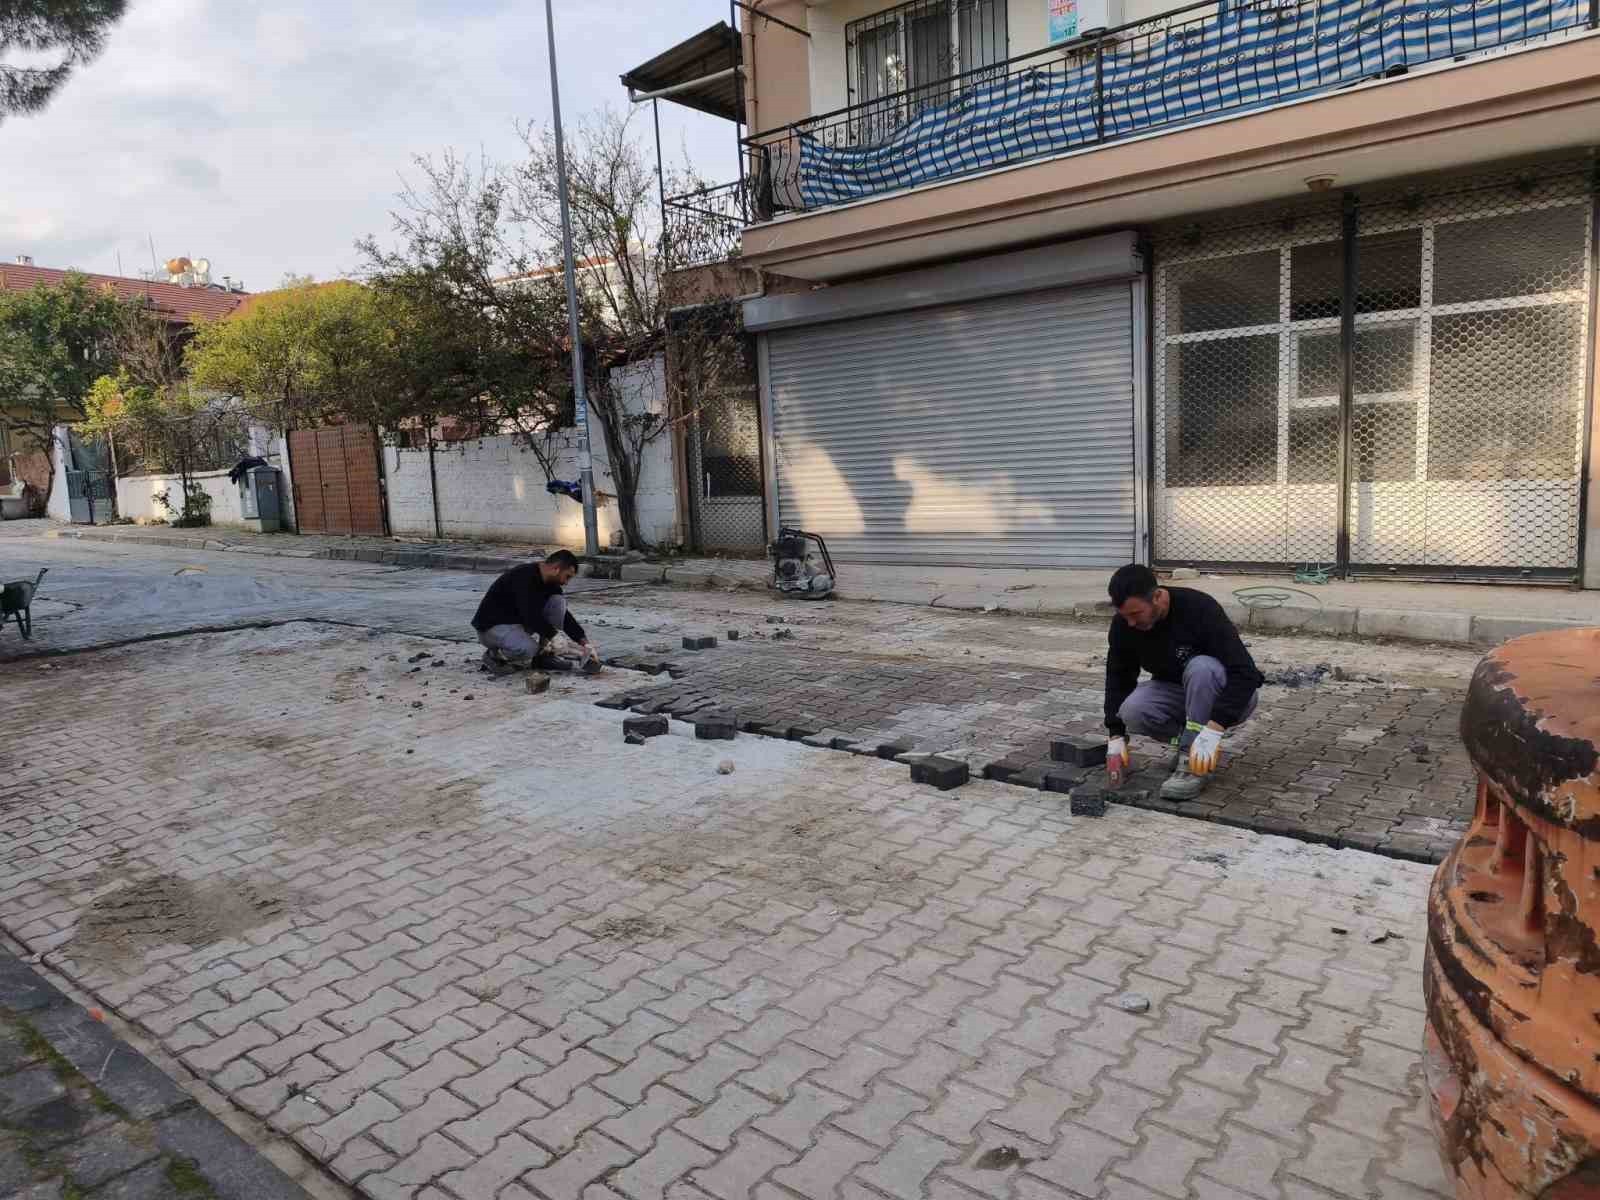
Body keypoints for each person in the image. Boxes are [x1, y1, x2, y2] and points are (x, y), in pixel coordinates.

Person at [1102, 564, 1263, 801]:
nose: (1131, 623)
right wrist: (1116, 735)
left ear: (1157, 597)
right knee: (1131, 710)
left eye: (1136, 614)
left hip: (1224, 695)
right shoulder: (1124, 626)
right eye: (1125, 616)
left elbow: (1246, 673)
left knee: (1201, 667)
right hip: (1179, 694)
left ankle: (1193, 764)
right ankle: (1191, 743)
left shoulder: (1199, 608)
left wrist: (1215, 729)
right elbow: (1118, 677)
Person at [472, 550, 598, 676]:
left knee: (558, 602)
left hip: (519, 623)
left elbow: (565, 617)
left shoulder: (551, 584)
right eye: (567, 576)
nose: (566, 582)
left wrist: (584, 642)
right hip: (492, 627)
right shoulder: (523, 576)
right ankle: (494, 655)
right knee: (528, 649)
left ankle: (544, 657)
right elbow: (529, 614)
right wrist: (554, 636)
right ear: (556, 569)